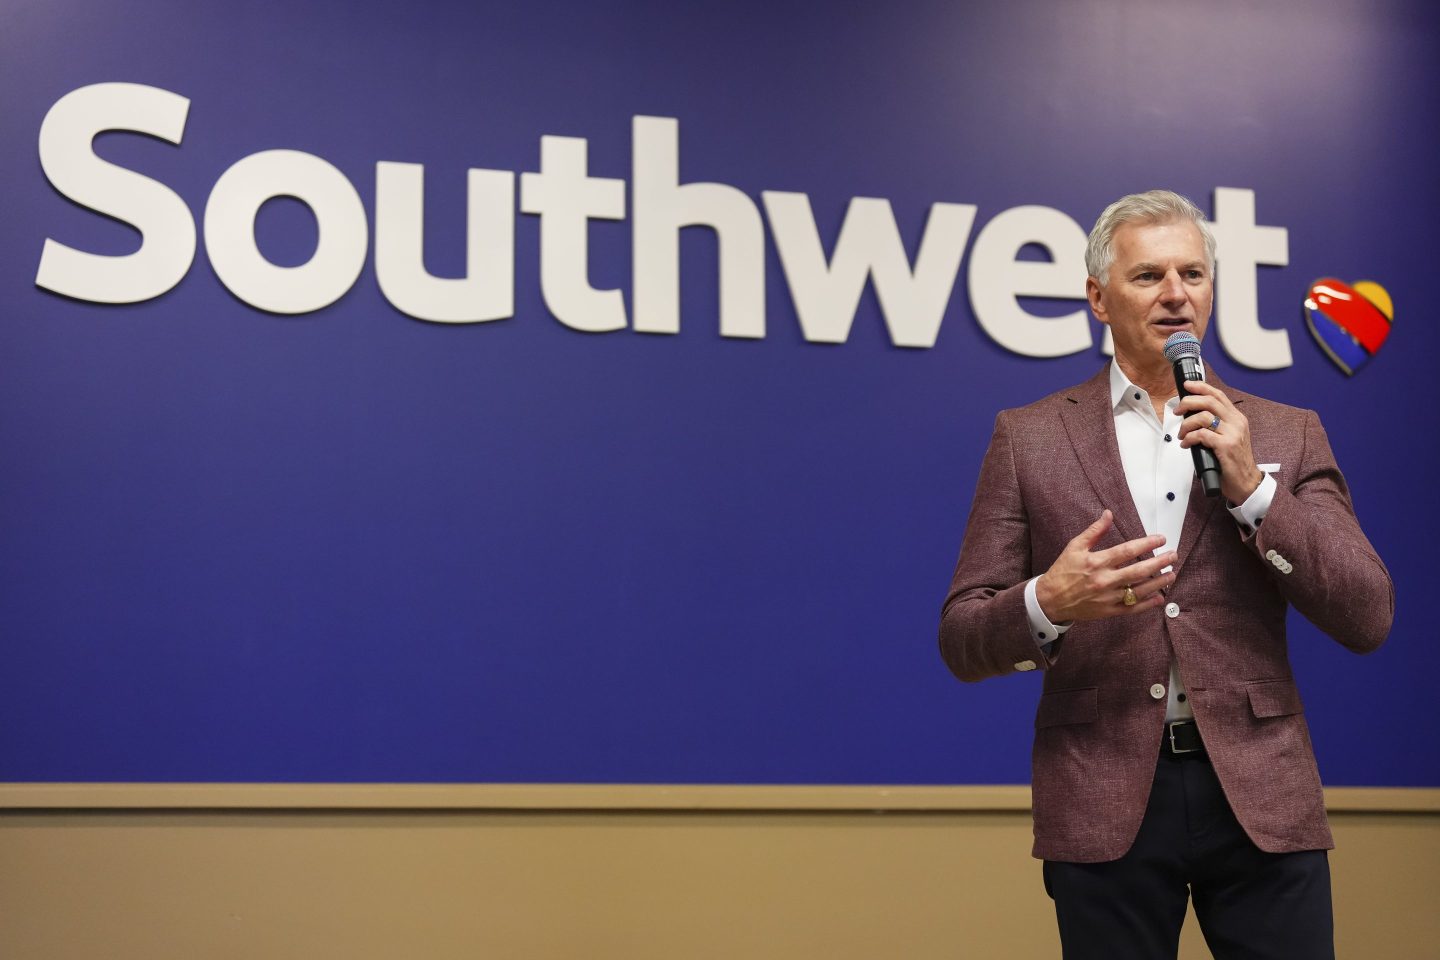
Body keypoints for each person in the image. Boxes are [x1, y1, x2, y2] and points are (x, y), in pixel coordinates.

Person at [938, 190, 1393, 959]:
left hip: (1262, 794)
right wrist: (1048, 603)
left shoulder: (1285, 431)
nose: (1176, 293)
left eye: (1194, 273)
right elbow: (961, 636)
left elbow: (1367, 613)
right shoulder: (1029, 437)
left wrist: (1254, 491)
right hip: (1103, 791)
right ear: (1097, 298)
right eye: (1149, 275)